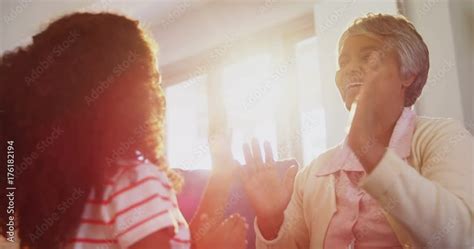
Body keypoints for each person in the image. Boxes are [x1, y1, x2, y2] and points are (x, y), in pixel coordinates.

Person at [0, 13, 247, 249]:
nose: (157, 93)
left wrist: (221, 173)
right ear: (127, 98)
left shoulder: (61, 196)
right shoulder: (134, 179)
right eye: (151, 78)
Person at [240, 13, 473, 249]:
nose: (349, 69)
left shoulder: (443, 137)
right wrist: (272, 220)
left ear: (407, 74)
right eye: (343, 62)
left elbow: (463, 239)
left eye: (368, 57)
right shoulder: (312, 174)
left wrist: (372, 153)